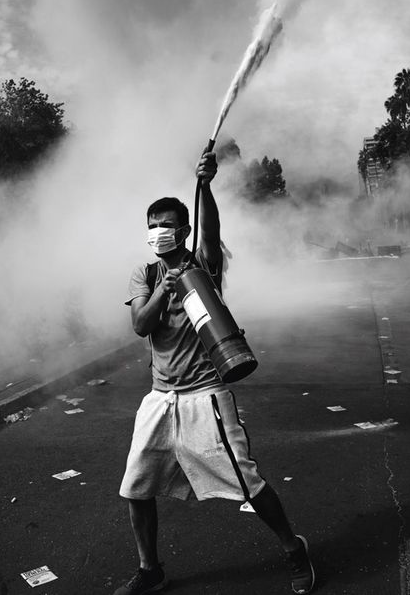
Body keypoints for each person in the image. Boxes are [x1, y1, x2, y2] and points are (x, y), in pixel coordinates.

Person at [114, 150, 314, 595]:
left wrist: (204, 185)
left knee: (247, 482)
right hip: (160, 397)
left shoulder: (201, 266)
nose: (159, 233)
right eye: (153, 226)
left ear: (183, 230)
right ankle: (151, 571)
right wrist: (162, 294)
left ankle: (293, 548)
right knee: (135, 489)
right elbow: (140, 325)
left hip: (206, 394)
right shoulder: (145, 273)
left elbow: (213, 231)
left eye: (167, 225)